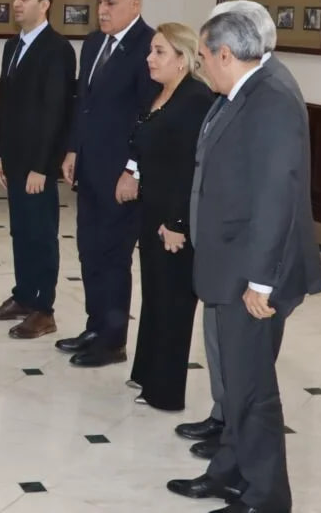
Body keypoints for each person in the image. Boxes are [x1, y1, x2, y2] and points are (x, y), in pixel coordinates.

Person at [167, 8, 321, 513]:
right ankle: (229, 471)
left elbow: (277, 196)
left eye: (202, 57)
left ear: (225, 54)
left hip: (253, 273)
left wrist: (261, 280)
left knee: (253, 390)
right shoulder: (241, 91)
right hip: (230, 264)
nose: (200, 67)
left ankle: (266, 498)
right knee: (236, 382)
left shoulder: (271, 99)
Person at [58, 0, 160, 367]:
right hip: (89, 168)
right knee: (89, 250)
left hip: (121, 175)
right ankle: (95, 326)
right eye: (99, 2)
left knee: (114, 256)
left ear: (135, 5)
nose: (102, 10)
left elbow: (147, 116)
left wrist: (133, 170)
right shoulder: (93, 43)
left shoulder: (148, 47)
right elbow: (82, 103)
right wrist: (73, 149)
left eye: (110, 3)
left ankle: (113, 341)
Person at [0, 0, 77, 339]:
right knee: (20, 230)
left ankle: (43, 309)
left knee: (41, 234)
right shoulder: (12, 46)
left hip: (38, 163)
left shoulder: (57, 49)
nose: (16, 3)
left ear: (45, 4)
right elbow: (6, 105)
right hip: (15, 158)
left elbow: (55, 112)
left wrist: (42, 166)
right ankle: (23, 296)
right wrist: (0, 153)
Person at [127, 23, 214, 411]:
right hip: (153, 210)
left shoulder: (195, 99)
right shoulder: (162, 93)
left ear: (183, 59)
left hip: (176, 218)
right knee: (155, 295)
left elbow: (193, 169)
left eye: (159, 51)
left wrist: (178, 222)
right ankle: (147, 373)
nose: (150, 58)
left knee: (174, 303)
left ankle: (165, 391)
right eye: (151, 50)